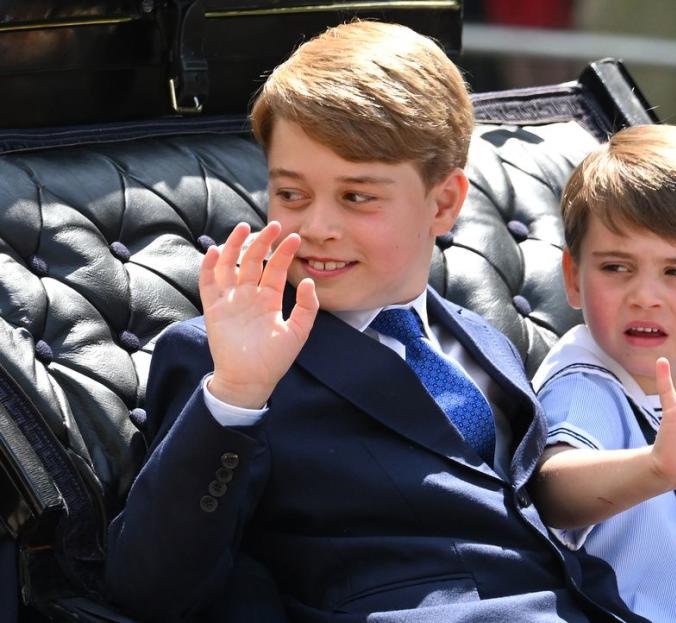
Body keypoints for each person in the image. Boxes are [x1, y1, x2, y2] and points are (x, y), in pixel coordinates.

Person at [105, 21, 641, 622]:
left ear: (442, 204)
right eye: (291, 195)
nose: (317, 227)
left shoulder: (483, 337)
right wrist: (236, 396)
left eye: (357, 197)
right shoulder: (221, 359)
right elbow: (150, 586)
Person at [528, 124, 676, 623]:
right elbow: (552, 488)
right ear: (573, 278)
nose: (645, 295)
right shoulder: (586, 378)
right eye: (616, 267)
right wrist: (660, 466)